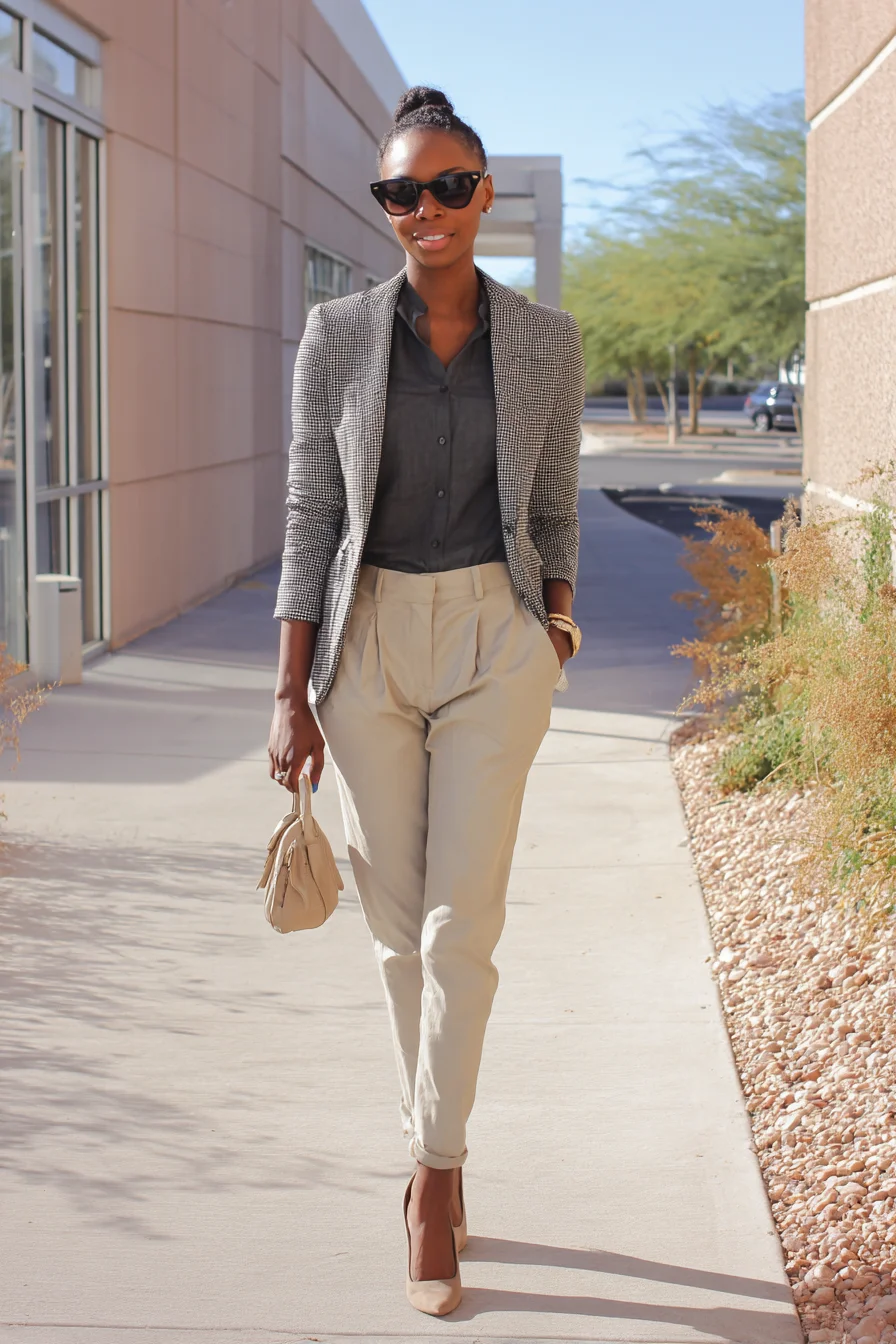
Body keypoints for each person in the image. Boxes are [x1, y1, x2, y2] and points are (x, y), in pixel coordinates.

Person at [268, 86, 585, 1317]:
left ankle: (435, 1178)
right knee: (398, 936)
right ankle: (431, 1148)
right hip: (371, 645)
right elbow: (310, 514)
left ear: (483, 193)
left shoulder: (545, 340)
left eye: (448, 186)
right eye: (402, 192)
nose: (426, 210)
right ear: (384, 206)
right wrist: (289, 692)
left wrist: (551, 625)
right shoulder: (336, 335)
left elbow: (552, 500)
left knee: (465, 927)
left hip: (493, 643)